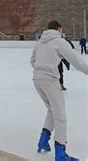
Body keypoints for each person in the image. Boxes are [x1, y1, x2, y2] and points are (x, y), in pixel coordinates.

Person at [31, 20, 88, 160]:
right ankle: (61, 154)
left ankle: (43, 141)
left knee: (52, 109)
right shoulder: (59, 41)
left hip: (37, 79)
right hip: (50, 81)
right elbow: (77, 61)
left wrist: (42, 70)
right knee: (60, 116)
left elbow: (33, 60)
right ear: (59, 29)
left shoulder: (40, 42)